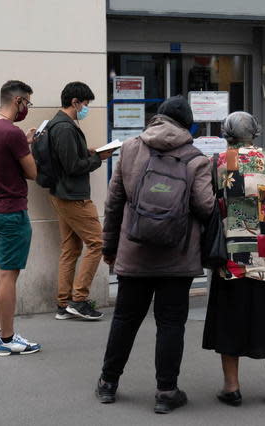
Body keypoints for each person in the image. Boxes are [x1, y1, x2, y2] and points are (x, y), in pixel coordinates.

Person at [95, 96, 214, 414]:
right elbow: (206, 207)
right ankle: (166, 391)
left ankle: (108, 383)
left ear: (158, 118)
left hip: (134, 253)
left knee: (125, 319)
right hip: (178, 256)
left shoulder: (131, 148)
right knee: (171, 323)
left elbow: (114, 202)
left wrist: (109, 247)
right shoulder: (196, 159)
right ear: (188, 125)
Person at [202, 112, 265, 407]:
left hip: (230, 255)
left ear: (226, 133)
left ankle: (232, 387)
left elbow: (208, 206)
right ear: (254, 133)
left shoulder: (219, 163)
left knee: (228, 318)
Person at [0, 80, 42, 356]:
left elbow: (2, 159)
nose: (27, 107)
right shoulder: (12, 133)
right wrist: (28, 148)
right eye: (27, 102)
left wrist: (23, 144)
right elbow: (32, 173)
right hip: (12, 211)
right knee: (8, 276)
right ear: (17, 101)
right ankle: (8, 339)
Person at [47, 82, 112, 321]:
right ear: (75, 102)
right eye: (85, 104)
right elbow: (72, 166)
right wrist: (99, 159)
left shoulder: (58, 124)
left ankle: (64, 303)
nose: (86, 108)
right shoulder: (64, 127)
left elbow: (69, 157)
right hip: (73, 196)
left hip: (62, 194)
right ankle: (79, 300)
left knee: (71, 248)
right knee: (96, 243)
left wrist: (89, 152)